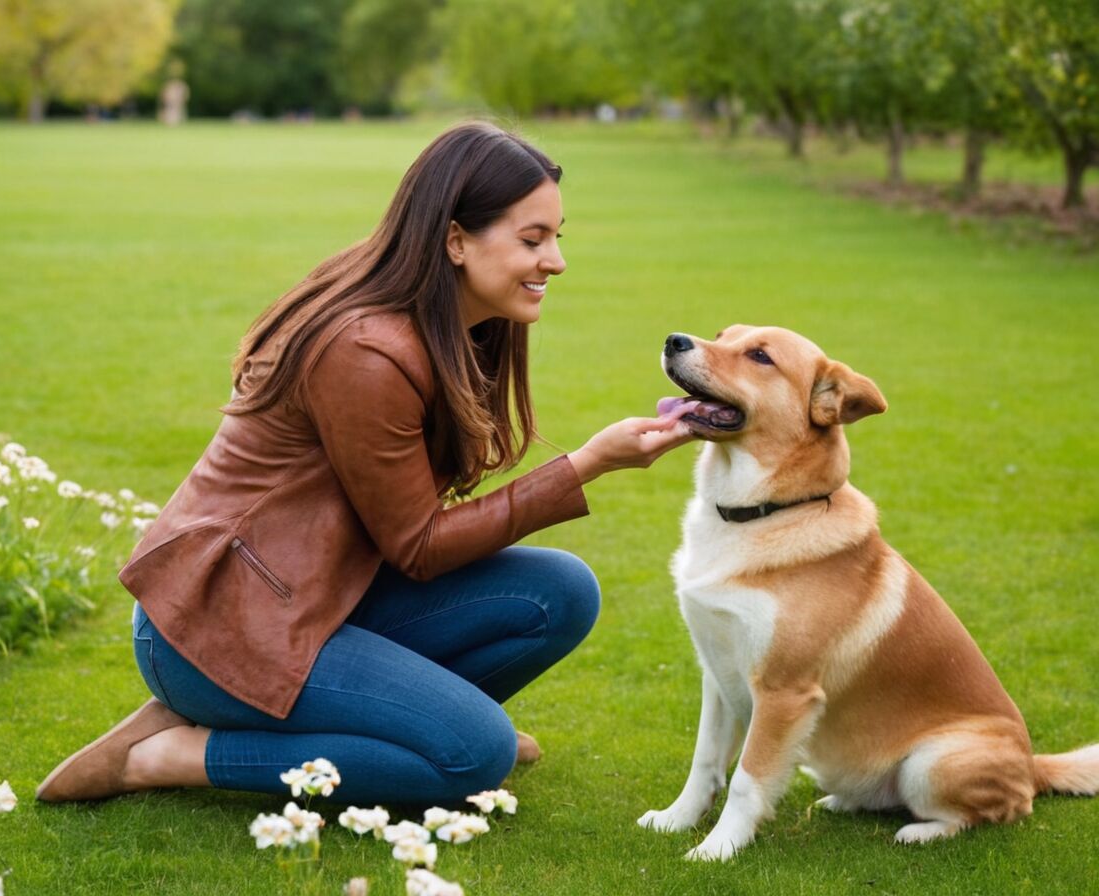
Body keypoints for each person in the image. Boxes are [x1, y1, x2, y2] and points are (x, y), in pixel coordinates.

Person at [36, 121, 695, 807]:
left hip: (317, 598)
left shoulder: (450, 324)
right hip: (217, 631)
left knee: (560, 592)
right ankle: (171, 755)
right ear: (455, 240)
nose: (554, 260)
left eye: (557, 237)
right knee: (476, 756)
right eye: (532, 239)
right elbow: (420, 547)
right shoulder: (365, 351)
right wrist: (587, 464)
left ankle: (412, 732)